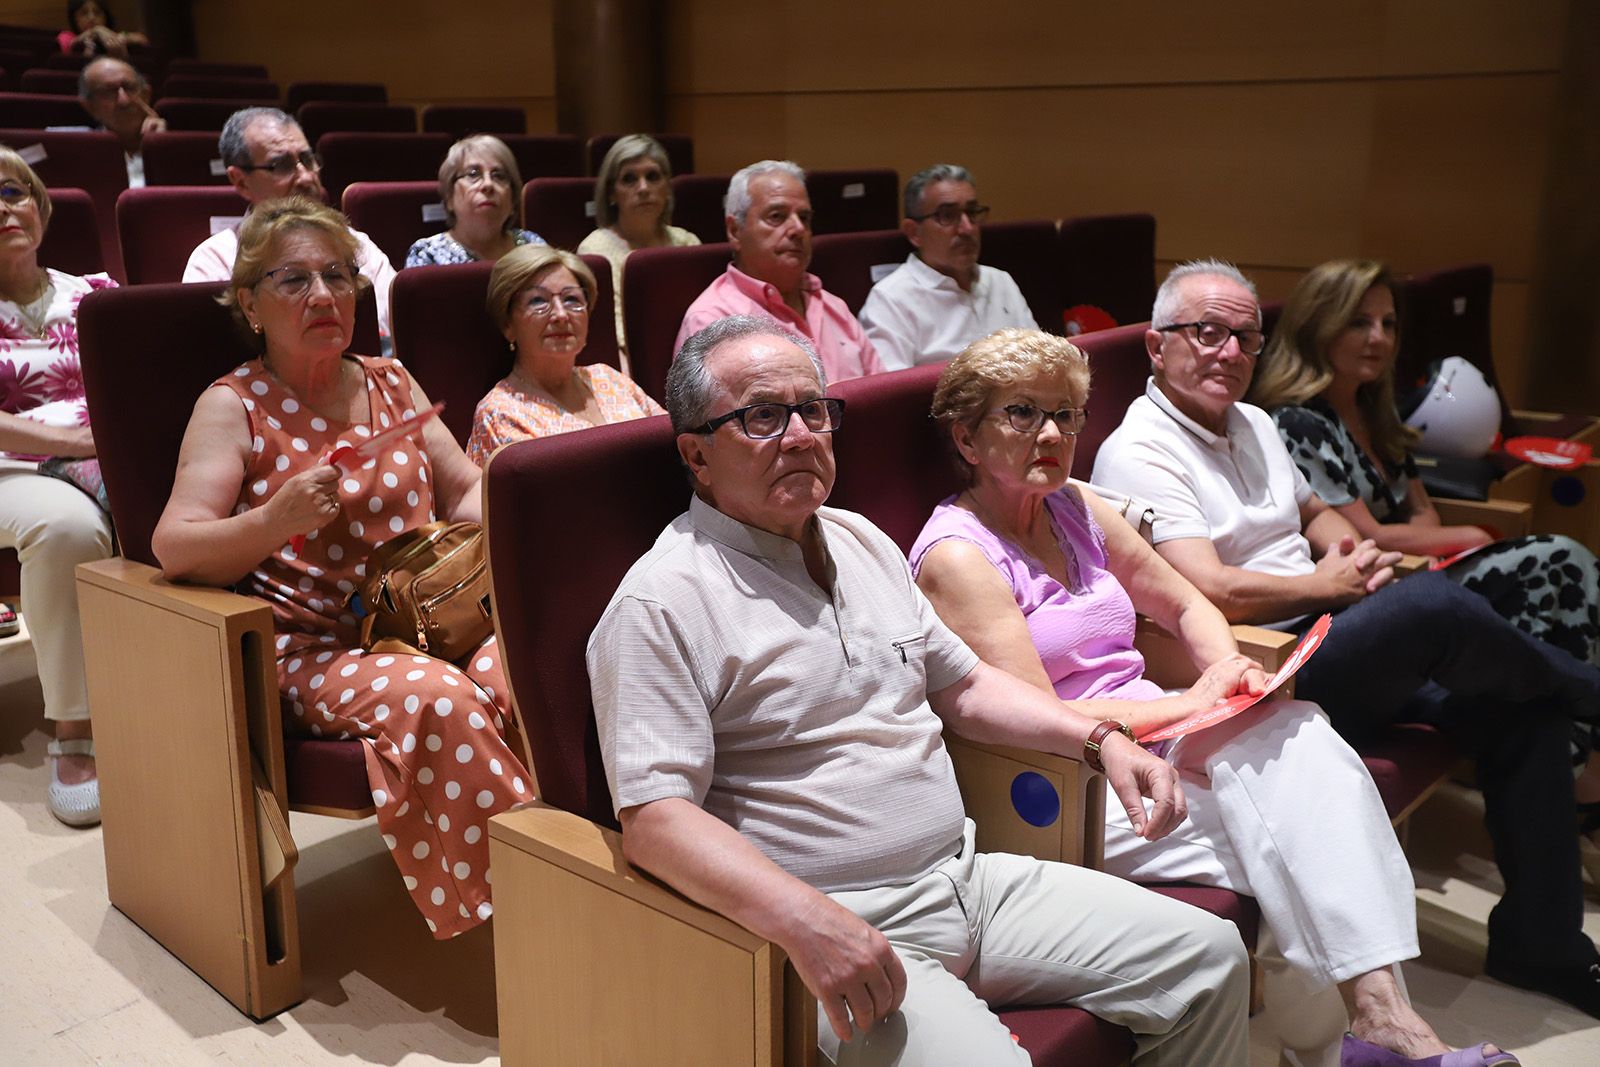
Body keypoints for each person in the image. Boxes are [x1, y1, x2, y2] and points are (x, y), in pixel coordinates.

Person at [589, 313, 1249, 1066]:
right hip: (830, 923)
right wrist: (804, 919)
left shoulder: (862, 540)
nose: (802, 435)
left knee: (1210, 959)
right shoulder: (662, 600)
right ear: (696, 455)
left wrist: (1100, 739)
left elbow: (965, 686)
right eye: (763, 416)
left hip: (969, 877)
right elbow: (655, 819)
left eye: (814, 410)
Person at [911, 328, 1515, 1067]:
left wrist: (1231, 669)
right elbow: (1044, 720)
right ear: (968, 438)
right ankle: (1351, 1043)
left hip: (1160, 728)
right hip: (1070, 778)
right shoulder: (958, 556)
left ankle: (1373, 1029)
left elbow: (1188, 604)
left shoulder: (1074, 505)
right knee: (1302, 838)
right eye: (1023, 413)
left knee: (1301, 734)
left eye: (1066, 415)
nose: (1052, 433)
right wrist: (1193, 699)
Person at [1092, 258, 1600, 1018]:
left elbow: (1314, 513)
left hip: (1335, 632)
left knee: (1523, 710)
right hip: (1264, 670)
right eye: (1206, 332)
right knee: (1433, 605)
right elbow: (1207, 586)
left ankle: (1543, 942)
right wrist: (1323, 587)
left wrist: (1341, 552)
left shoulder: (1256, 422)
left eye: (1244, 336)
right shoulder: (1139, 449)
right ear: (1157, 348)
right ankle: (1591, 686)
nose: (1229, 352)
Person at [152, 196, 531, 938]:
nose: (324, 295)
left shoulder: (390, 379)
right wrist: (273, 521)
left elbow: (460, 489)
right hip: (317, 648)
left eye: (337, 275)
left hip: (435, 617)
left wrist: (534, 520)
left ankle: (577, 871)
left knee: (527, 665)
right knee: (441, 698)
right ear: (250, 305)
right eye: (293, 281)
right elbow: (175, 543)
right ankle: (531, 915)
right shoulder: (235, 406)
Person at [1249, 259, 1600, 875]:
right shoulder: (1298, 421)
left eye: (1387, 323)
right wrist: (1472, 532)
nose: (1379, 338)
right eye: (1359, 322)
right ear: (1319, 327)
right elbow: (1370, 535)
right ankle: (1582, 768)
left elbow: (1424, 517)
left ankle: (1577, 762)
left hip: (1414, 573)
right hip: (1381, 592)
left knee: (1557, 581)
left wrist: (1449, 535)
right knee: (1558, 562)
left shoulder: (1376, 417)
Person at [0, 147, 115, 828]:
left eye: (14, 191)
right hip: (9, 467)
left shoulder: (95, 293)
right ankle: (75, 730)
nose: (3, 207)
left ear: (40, 211)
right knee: (67, 527)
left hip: (106, 457)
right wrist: (79, 444)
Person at [183, 108, 397, 345]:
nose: (305, 177)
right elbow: (218, 352)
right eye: (281, 165)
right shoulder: (215, 259)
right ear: (241, 181)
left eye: (307, 160)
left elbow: (391, 332)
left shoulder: (358, 245)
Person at [673, 160, 882, 383]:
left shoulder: (834, 307)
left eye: (804, 217)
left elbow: (882, 394)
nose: (799, 229)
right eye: (777, 216)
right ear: (734, 231)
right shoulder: (711, 320)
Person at [466, 246, 662, 465]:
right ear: (507, 324)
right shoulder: (499, 412)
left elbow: (670, 442)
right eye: (538, 301)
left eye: (572, 299)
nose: (561, 315)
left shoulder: (607, 377)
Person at [859, 165, 1037, 370]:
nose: (967, 228)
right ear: (913, 232)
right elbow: (890, 395)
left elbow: (1038, 362)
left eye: (972, 212)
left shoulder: (1000, 281)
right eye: (947, 216)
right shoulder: (890, 300)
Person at [577, 134, 701, 367]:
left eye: (653, 177)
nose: (643, 188)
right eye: (629, 179)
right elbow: (612, 337)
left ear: (667, 188)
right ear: (612, 193)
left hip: (693, 363)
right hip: (632, 365)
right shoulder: (595, 250)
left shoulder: (687, 242)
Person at [404, 135, 545, 268]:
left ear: (513, 200)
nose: (488, 184)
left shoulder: (530, 244)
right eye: (473, 174)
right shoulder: (427, 255)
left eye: (499, 176)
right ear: (449, 198)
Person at [77, 56, 165, 189]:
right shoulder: (76, 152)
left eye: (129, 87)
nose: (124, 100)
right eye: (108, 92)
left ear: (146, 95)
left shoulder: (179, 150)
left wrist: (162, 147)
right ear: (90, 106)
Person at [59, 1, 147, 58]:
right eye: (84, 13)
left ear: (106, 17)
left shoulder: (111, 35)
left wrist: (123, 37)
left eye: (97, 13)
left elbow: (142, 38)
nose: (91, 17)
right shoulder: (67, 36)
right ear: (75, 18)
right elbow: (69, 46)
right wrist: (96, 30)